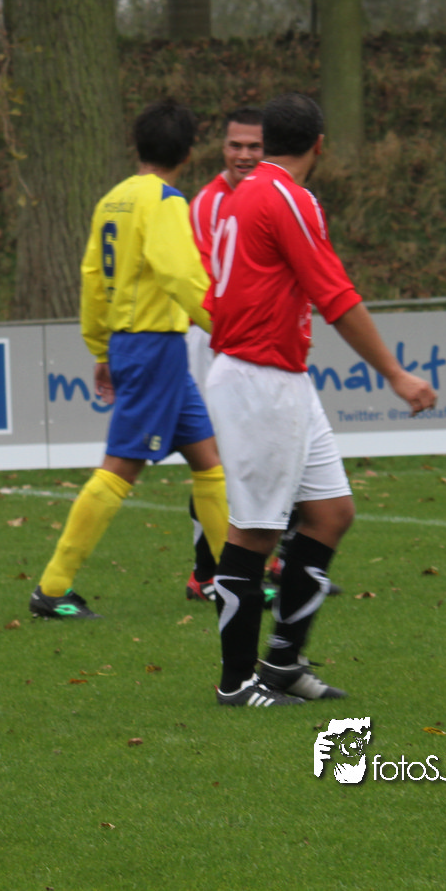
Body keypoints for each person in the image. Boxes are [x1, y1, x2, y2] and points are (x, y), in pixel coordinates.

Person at [203, 92, 436, 707]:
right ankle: (236, 683)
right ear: (320, 145)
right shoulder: (287, 197)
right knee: (254, 532)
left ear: (267, 140)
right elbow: (335, 296)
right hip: (258, 377)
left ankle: (282, 663)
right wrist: (395, 374)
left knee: (331, 512)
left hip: (276, 374)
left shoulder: (242, 192)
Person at [28, 100, 230, 621]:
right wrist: (228, 326)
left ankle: (235, 580)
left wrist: (101, 347)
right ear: (189, 154)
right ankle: (53, 588)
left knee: (208, 462)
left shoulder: (113, 199)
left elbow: (93, 278)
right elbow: (179, 274)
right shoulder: (165, 200)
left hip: (137, 344)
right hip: (153, 344)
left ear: (137, 147)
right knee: (121, 466)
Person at [182, 107, 263, 601]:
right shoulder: (208, 204)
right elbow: (210, 285)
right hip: (212, 338)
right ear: (223, 148)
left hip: (254, 339)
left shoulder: (271, 198)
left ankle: (264, 558)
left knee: (258, 452)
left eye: (254, 146)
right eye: (236, 145)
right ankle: (206, 572)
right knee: (217, 458)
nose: (244, 155)